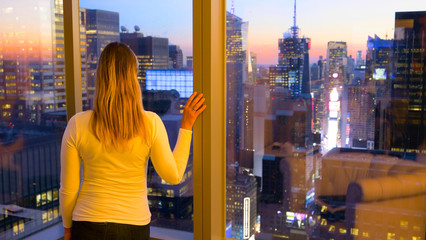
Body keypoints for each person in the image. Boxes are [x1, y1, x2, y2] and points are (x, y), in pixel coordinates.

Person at [59, 42, 206, 240]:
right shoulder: (150, 122)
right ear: (132, 78)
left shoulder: (77, 124)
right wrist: (186, 125)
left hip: (87, 224)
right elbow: (173, 176)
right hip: (133, 227)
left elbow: (68, 189)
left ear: (100, 77)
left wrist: (68, 229)